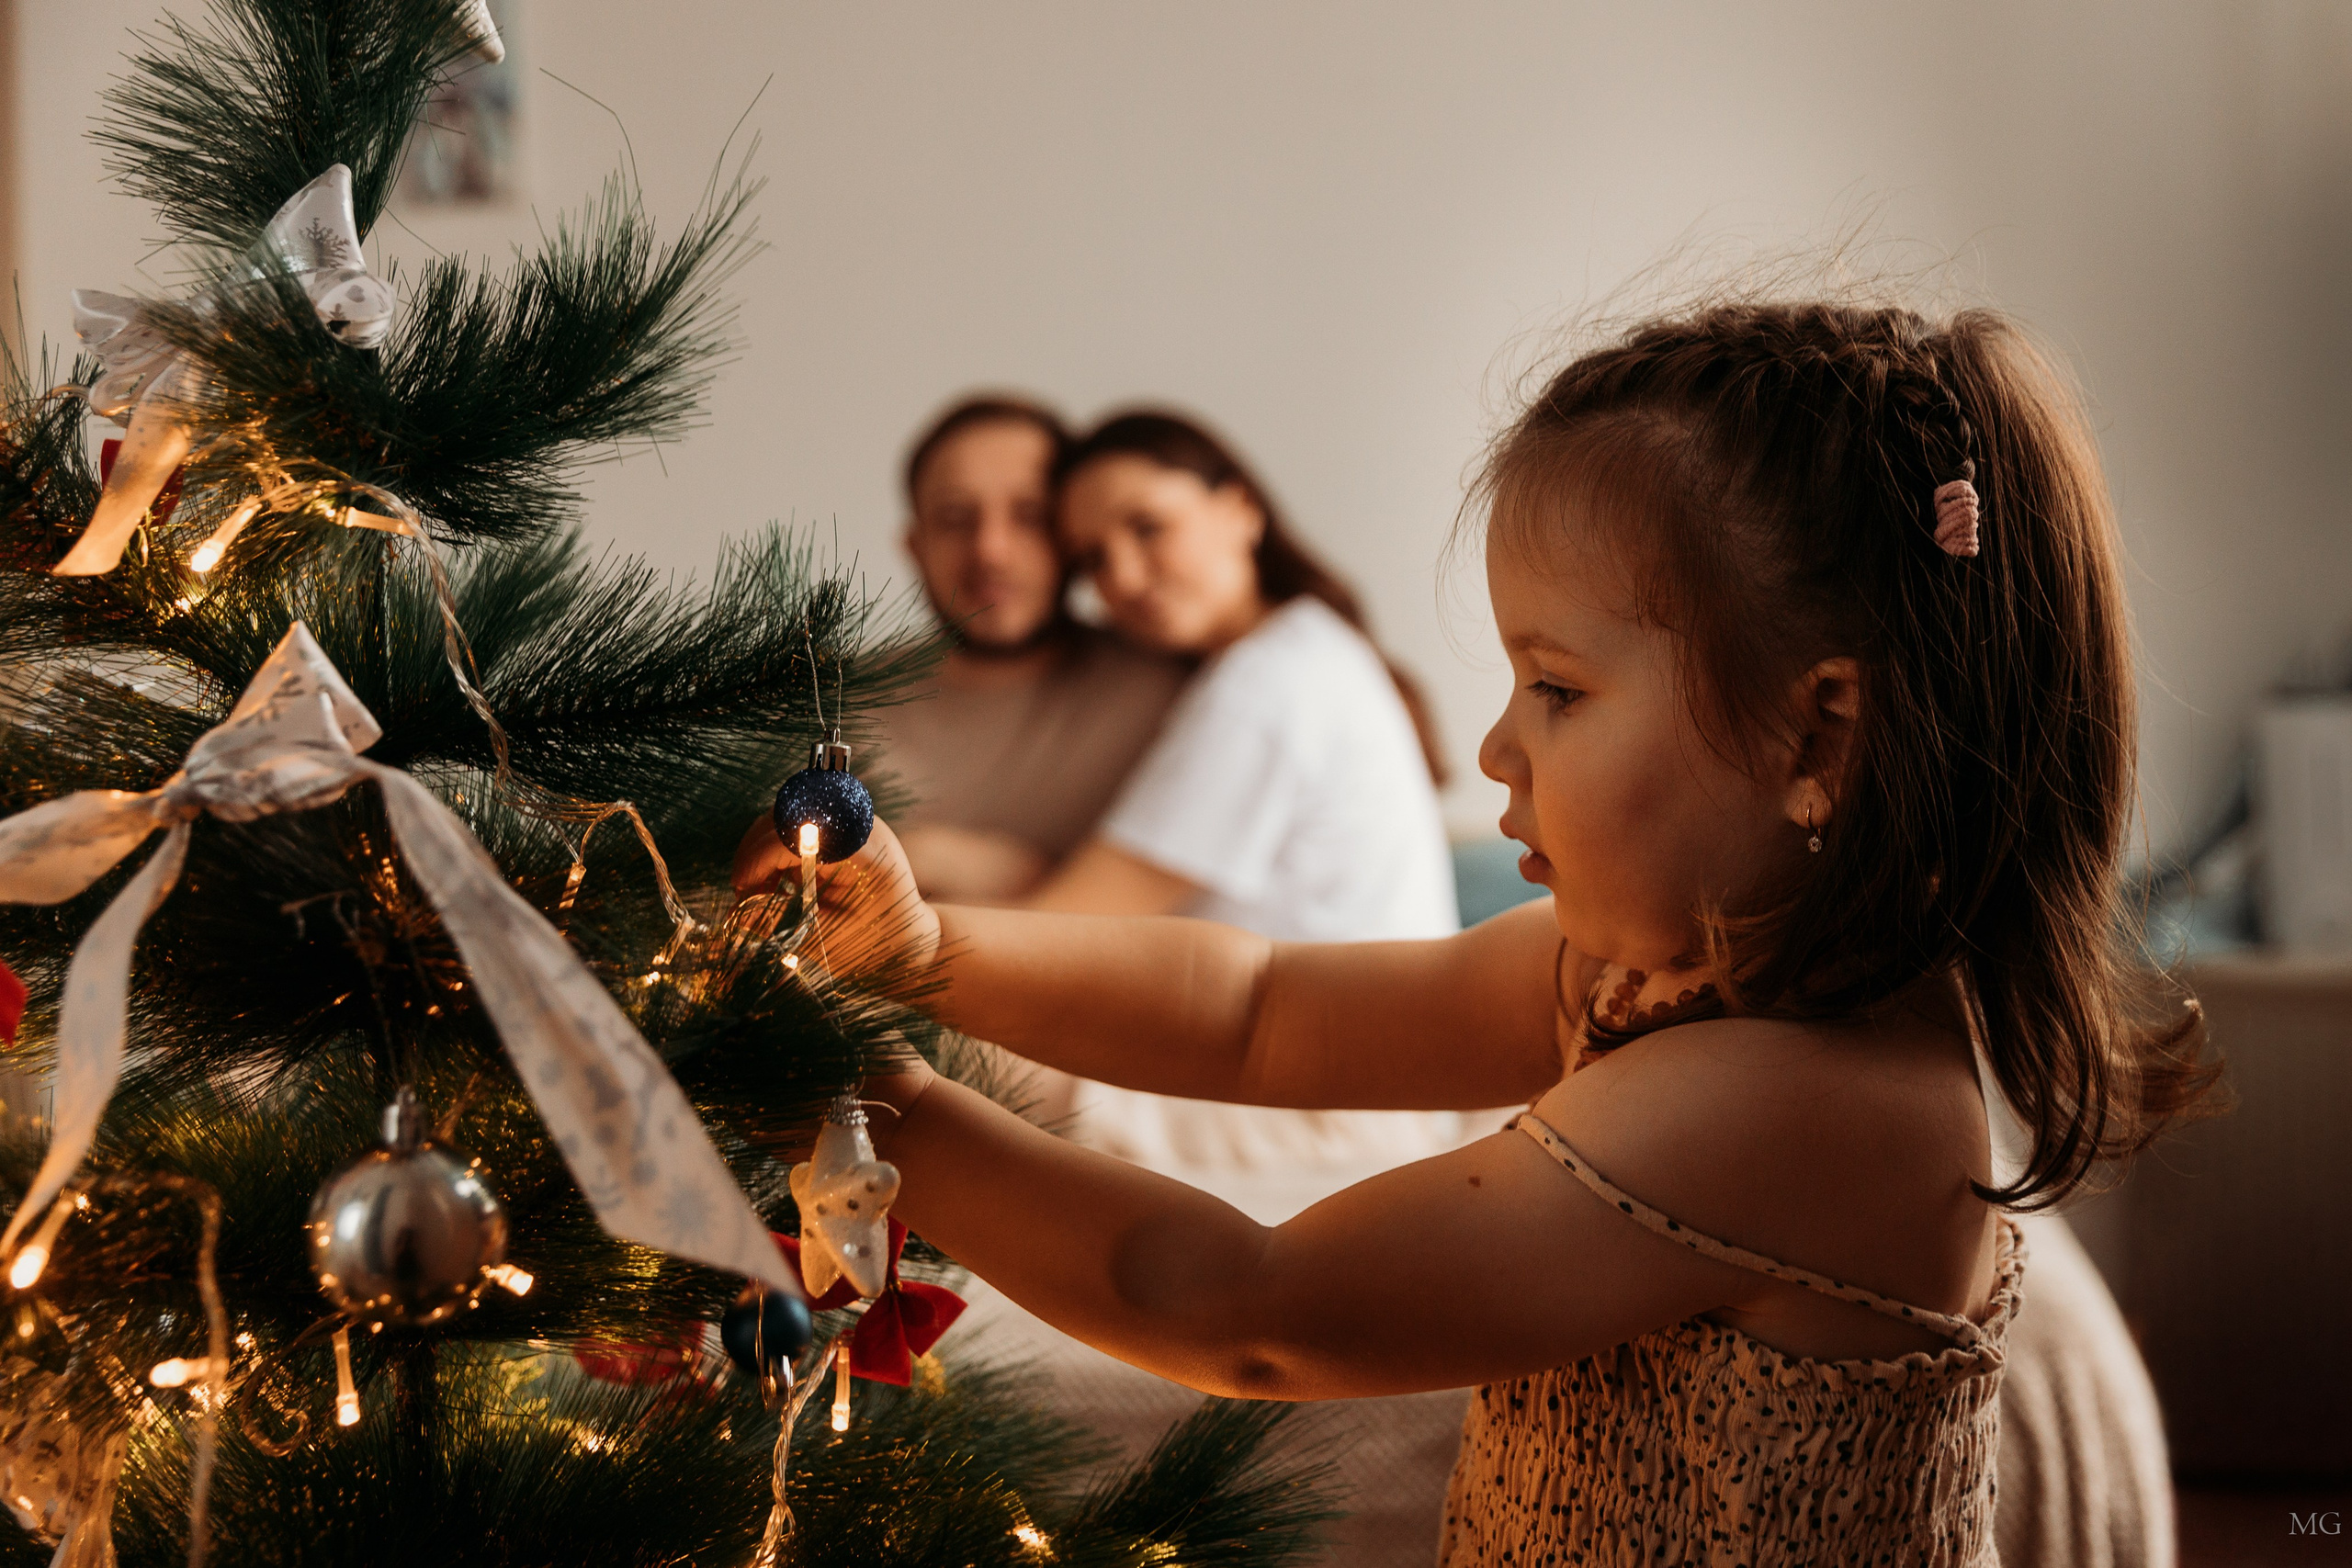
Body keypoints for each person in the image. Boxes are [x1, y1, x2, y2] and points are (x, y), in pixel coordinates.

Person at [741, 298, 2228, 1562]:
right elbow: (1257, 1005)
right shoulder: (1659, 977)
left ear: (1817, 736)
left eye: (1559, 690)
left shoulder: (1808, 1101)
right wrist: (928, 953)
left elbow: (1252, 1310)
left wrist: (909, 1122)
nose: (1494, 750)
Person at [876, 394, 1188, 907]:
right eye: (956, 518)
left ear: (1071, 533)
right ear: (914, 545)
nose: (991, 550)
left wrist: (963, 865)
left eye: (1029, 516)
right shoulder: (829, 706)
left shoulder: (1173, 691)